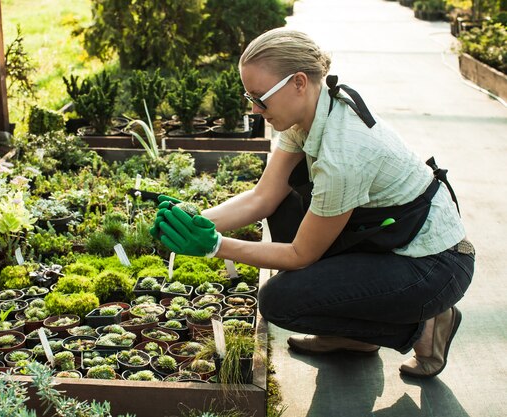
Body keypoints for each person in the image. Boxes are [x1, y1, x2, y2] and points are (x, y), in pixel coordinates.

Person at [150, 28, 474, 378]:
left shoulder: (343, 154)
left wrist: (214, 246)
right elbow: (264, 197)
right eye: (250, 97)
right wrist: (195, 219)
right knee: (287, 203)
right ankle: (354, 337)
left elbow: (300, 255)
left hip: (433, 266)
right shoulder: (307, 114)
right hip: (390, 239)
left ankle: (424, 329)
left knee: (280, 302)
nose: (256, 109)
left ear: (299, 82)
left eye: (261, 98)